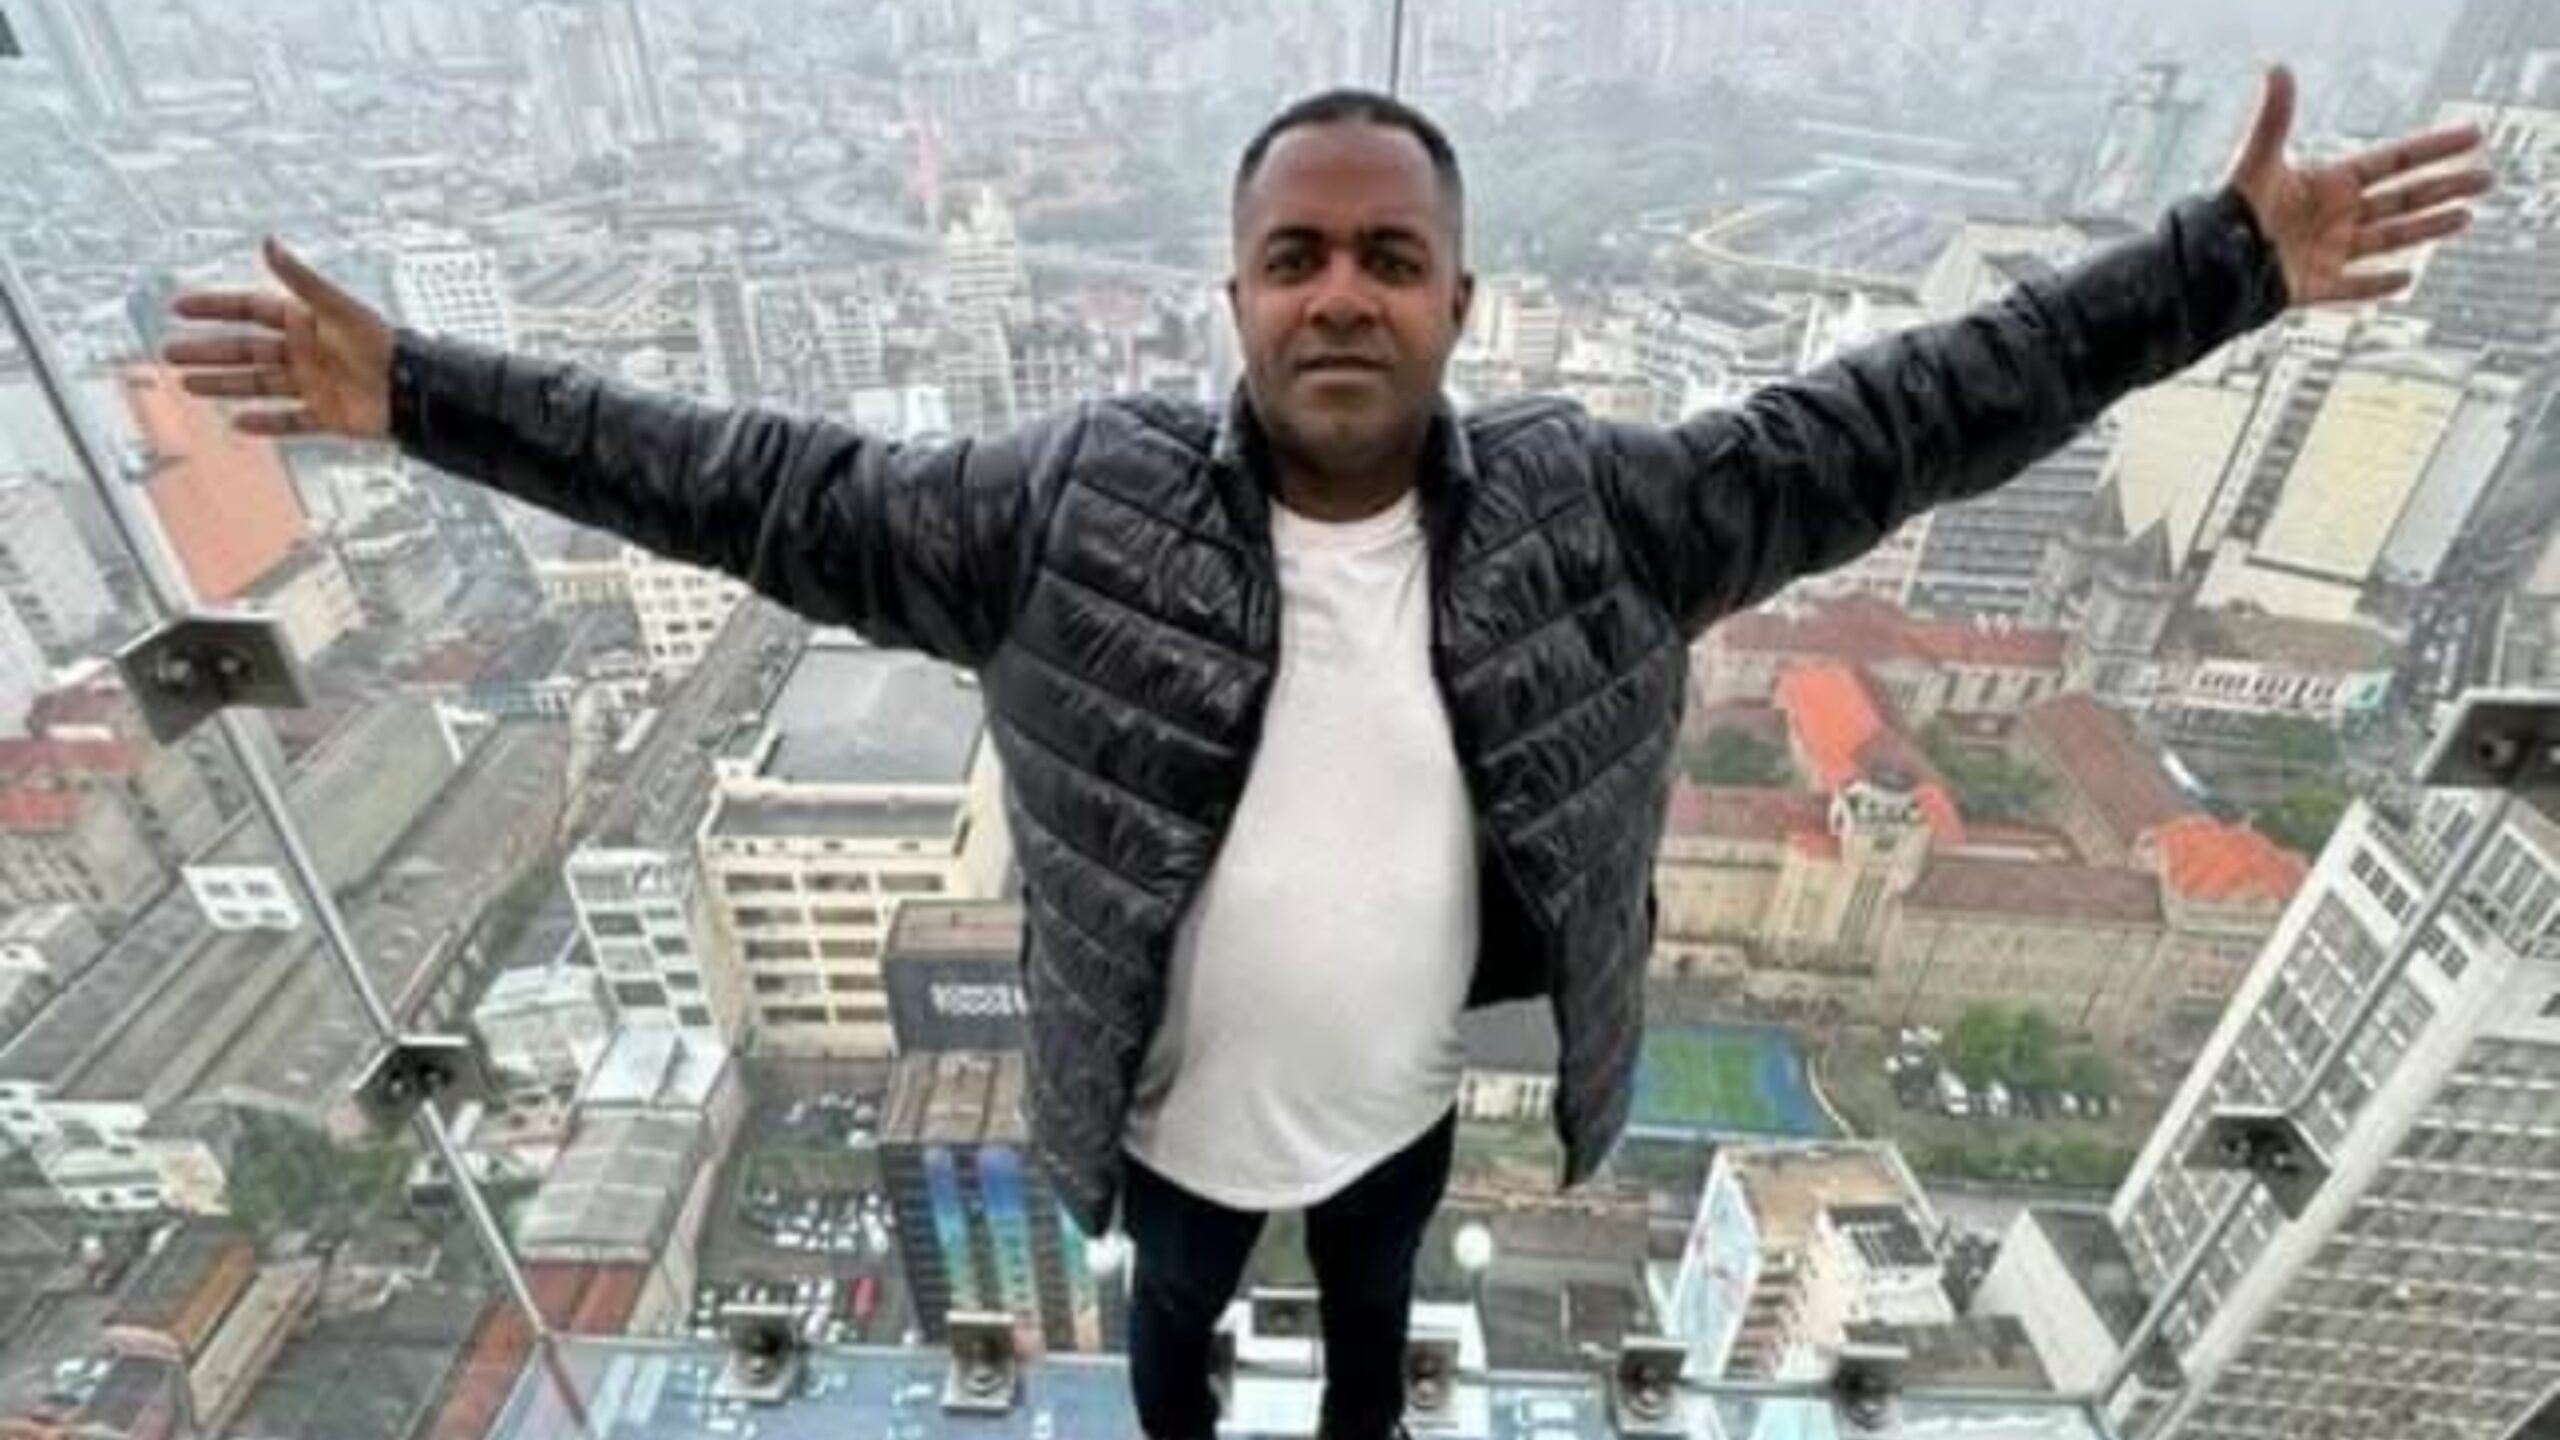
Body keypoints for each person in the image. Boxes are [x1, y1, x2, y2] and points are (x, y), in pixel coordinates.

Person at [165, 68, 2485, 1440]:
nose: (1341, 289)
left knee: (1365, 1338)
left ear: (1459, 300)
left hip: (1394, 1105)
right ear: (1237, 299)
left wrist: (2217, 267)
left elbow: (1907, 419)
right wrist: (424, 393)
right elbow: (745, 485)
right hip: (1162, 1123)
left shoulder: (1597, 518)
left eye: (1388, 254)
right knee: (1174, 1346)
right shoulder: (1061, 517)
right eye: (1295, 256)